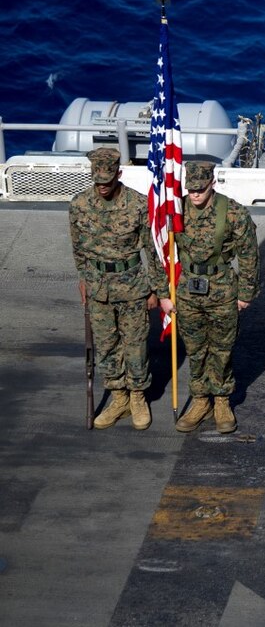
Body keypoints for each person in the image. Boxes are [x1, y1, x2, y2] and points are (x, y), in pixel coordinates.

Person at [159, 161, 260, 435]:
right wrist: (162, 293)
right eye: (191, 189)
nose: (195, 194)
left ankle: (222, 400)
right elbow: (160, 252)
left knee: (222, 349)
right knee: (195, 349)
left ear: (212, 184)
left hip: (222, 290)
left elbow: (249, 254)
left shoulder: (233, 212)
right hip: (187, 292)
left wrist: (245, 293)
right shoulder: (176, 212)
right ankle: (201, 400)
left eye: (200, 189)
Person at [69, 147, 164, 430]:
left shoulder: (138, 204)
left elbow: (152, 251)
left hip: (132, 285)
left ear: (118, 174)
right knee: (106, 345)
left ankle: (137, 397)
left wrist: (156, 290)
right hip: (98, 287)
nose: (102, 187)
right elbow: (78, 248)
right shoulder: (79, 204)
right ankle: (119, 397)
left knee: (135, 345)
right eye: (97, 181)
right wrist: (84, 278)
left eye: (107, 181)